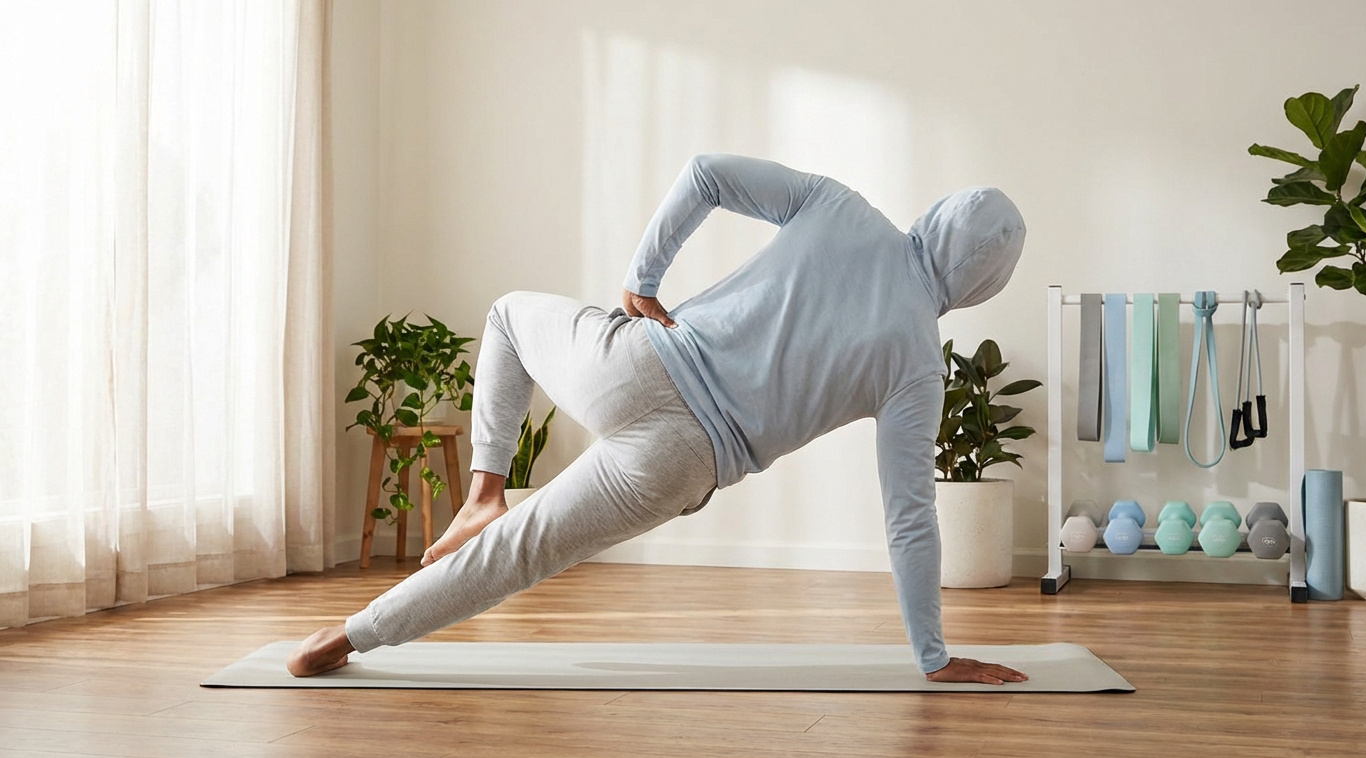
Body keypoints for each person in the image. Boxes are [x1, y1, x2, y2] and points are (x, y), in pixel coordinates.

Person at [289, 154, 1029, 685]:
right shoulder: (917, 364)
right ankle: (346, 637)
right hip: (685, 461)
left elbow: (705, 173)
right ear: (983, 286)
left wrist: (643, 278)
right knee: (519, 556)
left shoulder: (842, 209)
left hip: (638, 362)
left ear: (937, 216)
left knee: (507, 317)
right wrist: (933, 655)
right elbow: (909, 516)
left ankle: (485, 489)